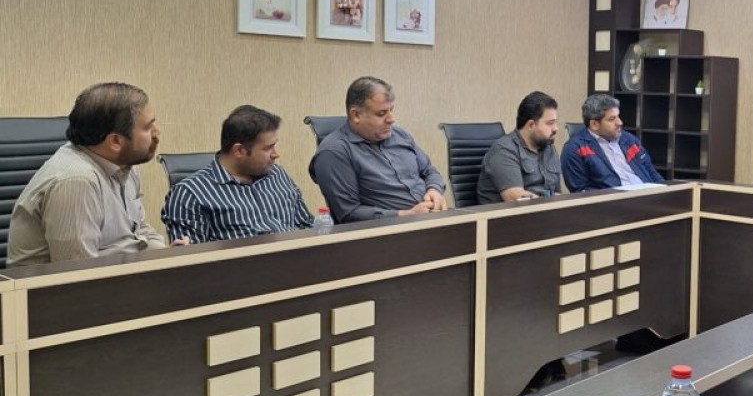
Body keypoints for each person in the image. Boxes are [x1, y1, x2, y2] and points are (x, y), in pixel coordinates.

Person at [7, 82, 182, 266]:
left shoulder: (124, 164)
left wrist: (165, 253)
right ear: (115, 141)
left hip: (119, 275)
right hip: (71, 282)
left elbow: (138, 232)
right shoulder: (76, 182)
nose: (157, 132)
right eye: (147, 127)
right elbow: (78, 273)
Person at [161, 105, 313, 242]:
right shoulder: (190, 194)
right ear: (239, 150)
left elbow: (306, 226)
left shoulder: (276, 174)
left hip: (296, 260)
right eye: (268, 148)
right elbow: (192, 259)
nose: (276, 154)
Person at [309, 76, 447, 223]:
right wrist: (406, 215)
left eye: (391, 110)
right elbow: (348, 213)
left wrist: (434, 190)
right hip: (388, 231)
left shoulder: (400, 135)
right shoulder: (334, 152)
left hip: (430, 220)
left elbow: (429, 171)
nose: (391, 119)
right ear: (356, 115)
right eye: (381, 113)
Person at [562, 94, 663, 192]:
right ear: (594, 124)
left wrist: (664, 191)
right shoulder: (575, 149)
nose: (620, 122)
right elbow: (581, 191)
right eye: (612, 119)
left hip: (648, 196)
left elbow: (651, 172)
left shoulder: (629, 139)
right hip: (616, 201)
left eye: (618, 116)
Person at [477, 91, 562, 203]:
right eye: (550, 123)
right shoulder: (504, 150)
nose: (556, 128)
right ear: (531, 125)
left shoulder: (549, 148)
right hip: (510, 213)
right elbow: (517, 198)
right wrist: (551, 201)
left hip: (545, 212)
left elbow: (556, 193)